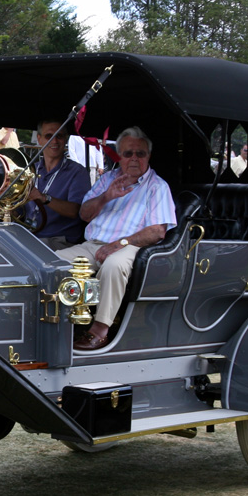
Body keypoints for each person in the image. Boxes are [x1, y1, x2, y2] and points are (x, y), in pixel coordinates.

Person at [57, 126, 177, 351]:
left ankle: (99, 332)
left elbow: (157, 231)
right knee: (53, 262)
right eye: (128, 153)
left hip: (132, 246)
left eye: (140, 154)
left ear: (148, 156)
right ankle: (56, 323)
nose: (134, 159)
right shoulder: (107, 180)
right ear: (119, 156)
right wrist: (106, 197)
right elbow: (84, 213)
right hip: (93, 244)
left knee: (113, 265)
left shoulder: (157, 187)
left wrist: (120, 243)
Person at [27, 120, 92, 250]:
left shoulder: (77, 172)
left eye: (59, 136)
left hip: (60, 242)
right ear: (39, 139)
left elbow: (76, 211)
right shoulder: (29, 170)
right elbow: (14, 212)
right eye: (49, 136)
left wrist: (44, 198)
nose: (55, 141)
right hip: (30, 237)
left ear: (65, 139)